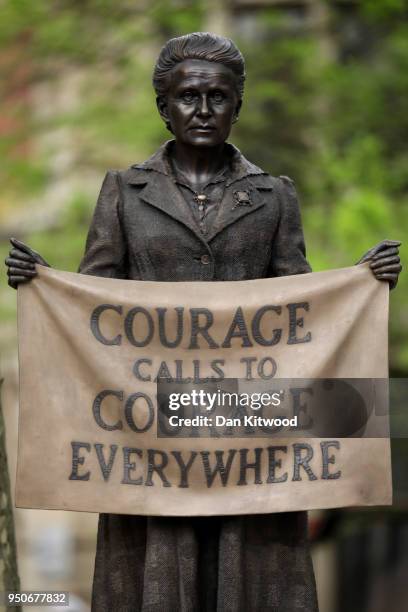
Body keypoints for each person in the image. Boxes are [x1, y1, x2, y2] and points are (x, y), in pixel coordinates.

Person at [5, 32, 402, 612]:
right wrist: (45, 285)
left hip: (251, 433)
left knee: (251, 573)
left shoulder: (274, 196)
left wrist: (362, 284)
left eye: (218, 97)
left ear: (237, 105)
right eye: (188, 97)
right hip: (150, 440)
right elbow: (94, 304)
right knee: (161, 574)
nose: (203, 110)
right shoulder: (124, 192)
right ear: (163, 106)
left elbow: (306, 314)